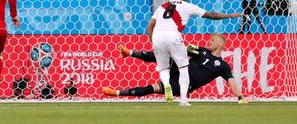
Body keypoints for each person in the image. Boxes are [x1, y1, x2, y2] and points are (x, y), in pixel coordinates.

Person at [146, 0, 242, 106]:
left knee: (164, 68)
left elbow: (150, 26)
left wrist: (152, 41)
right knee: (183, 68)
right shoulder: (188, 5)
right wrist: (230, 16)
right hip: (174, 37)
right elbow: (211, 15)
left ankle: (167, 85)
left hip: (158, 38)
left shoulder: (162, 6)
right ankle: (183, 100)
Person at [102, 33, 248, 104]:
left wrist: (240, 97)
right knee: (165, 55)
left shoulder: (222, 66)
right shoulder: (202, 51)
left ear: (221, 44)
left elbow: (232, 81)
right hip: (180, 70)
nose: (209, 41)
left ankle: (116, 93)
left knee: (152, 88)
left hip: (184, 84)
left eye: (213, 40)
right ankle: (130, 53)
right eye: (210, 39)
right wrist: (184, 47)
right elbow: (184, 50)